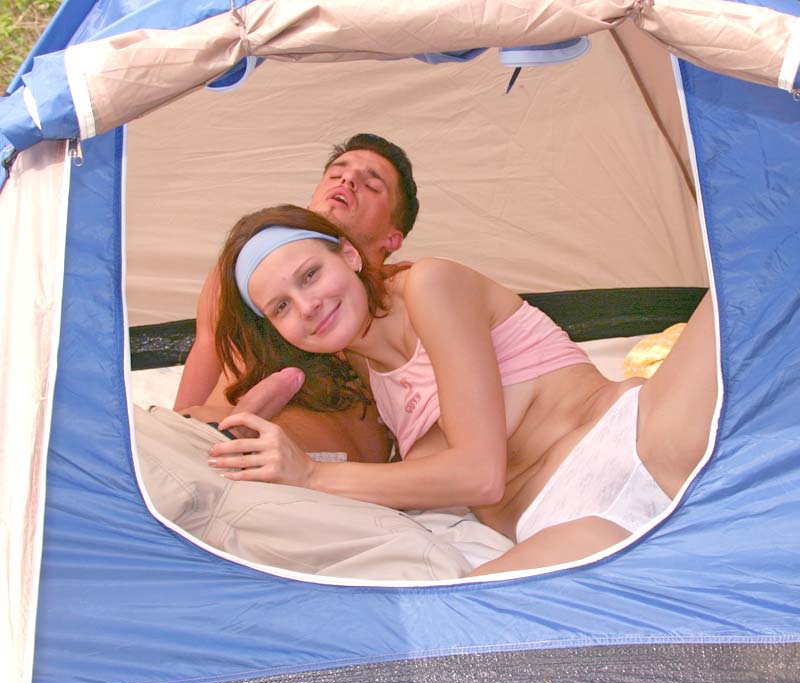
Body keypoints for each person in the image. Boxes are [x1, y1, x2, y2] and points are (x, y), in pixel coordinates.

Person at [206, 204, 718, 575]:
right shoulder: (361, 377)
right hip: (558, 521)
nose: (307, 306)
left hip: (635, 438)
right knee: (442, 636)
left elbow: (480, 475)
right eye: (281, 307)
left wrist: (312, 474)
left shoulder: (429, 285)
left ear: (350, 256)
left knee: (743, 285)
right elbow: (420, 479)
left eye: (310, 275)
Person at [172, 134, 419, 461]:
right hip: (216, 446)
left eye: (372, 185)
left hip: (333, 477)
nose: (347, 180)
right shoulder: (244, 274)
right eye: (336, 174)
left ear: (392, 238)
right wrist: (176, 437)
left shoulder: (408, 293)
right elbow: (206, 353)